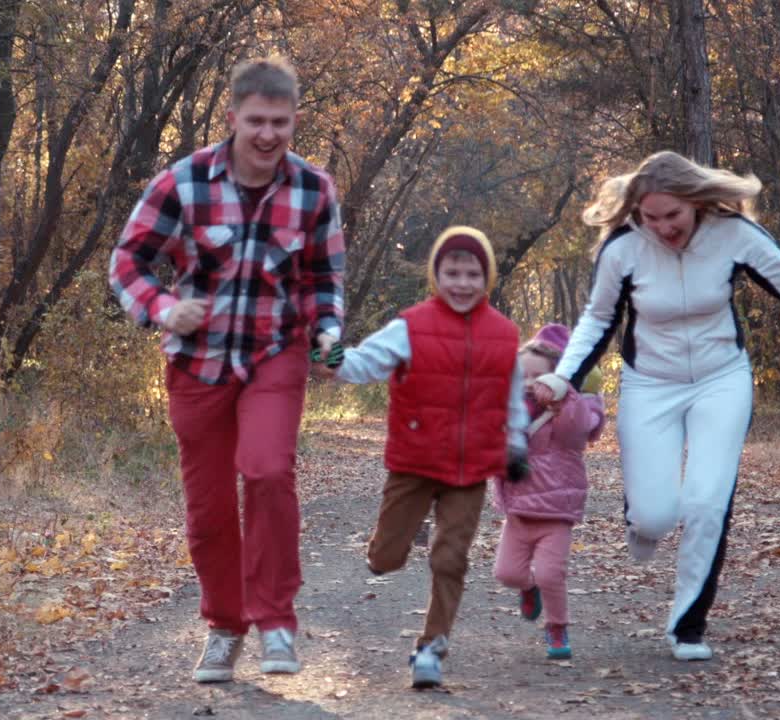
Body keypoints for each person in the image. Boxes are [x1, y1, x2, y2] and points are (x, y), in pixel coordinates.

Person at [537, 150, 780, 662]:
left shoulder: (733, 235)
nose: (663, 228)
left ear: (696, 204)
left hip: (721, 381)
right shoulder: (624, 249)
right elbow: (598, 319)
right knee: (654, 517)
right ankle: (642, 522)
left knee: (705, 501)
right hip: (649, 384)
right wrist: (563, 377)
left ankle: (687, 627)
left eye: (672, 216)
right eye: (651, 217)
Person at [109, 56, 345, 683]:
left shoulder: (313, 190)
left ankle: (275, 622)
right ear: (234, 117)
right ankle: (223, 626)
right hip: (198, 363)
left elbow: (325, 277)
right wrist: (162, 307)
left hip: (275, 353)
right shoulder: (183, 182)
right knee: (209, 508)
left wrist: (328, 332)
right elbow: (128, 261)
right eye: (257, 121)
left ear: (294, 122)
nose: (269, 135)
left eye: (282, 123)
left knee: (267, 471)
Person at [322, 226, 529, 688]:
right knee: (388, 557)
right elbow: (362, 362)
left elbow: (513, 396)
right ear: (437, 276)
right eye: (451, 272)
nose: (462, 282)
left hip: (470, 468)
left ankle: (431, 647)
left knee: (451, 558)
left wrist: (516, 443)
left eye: (472, 273)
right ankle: (385, 547)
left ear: (487, 278)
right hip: (414, 463)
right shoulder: (410, 325)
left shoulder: (503, 334)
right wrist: (331, 356)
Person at [493, 323, 605, 660]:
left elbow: (577, 432)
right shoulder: (513, 413)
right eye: (522, 377)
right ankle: (528, 589)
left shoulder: (566, 412)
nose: (528, 385)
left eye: (536, 377)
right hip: (518, 510)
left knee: (550, 574)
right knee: (506, 573)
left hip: (556, 511)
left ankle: (557, 627)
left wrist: (564, 395)